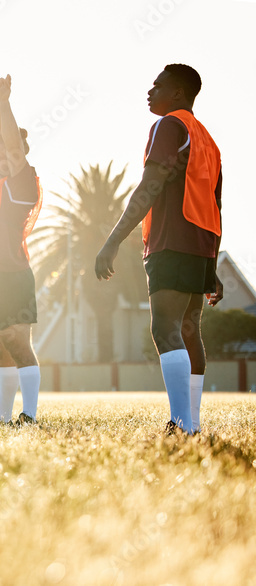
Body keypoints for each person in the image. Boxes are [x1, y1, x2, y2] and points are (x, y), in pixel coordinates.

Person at [95, 64, 223, 434]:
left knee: (165, 328)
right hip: (201, 244)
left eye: (158, 86)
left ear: (178, 93)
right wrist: (211, 263)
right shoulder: (208, 141)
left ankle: (182, 424)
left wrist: (113, 239)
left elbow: (150, 185)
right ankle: (192, 422)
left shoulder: (170, 126)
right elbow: (216, 204)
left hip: (173, 240)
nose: (150, 92)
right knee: (188, 329)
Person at [0, 75, 43, 426]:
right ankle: (3, 415)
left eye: (1, 153)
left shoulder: (23, 180)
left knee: (16, 342)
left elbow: (12, 146)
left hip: (15, 276)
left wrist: (5, 104)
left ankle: (29, 415)